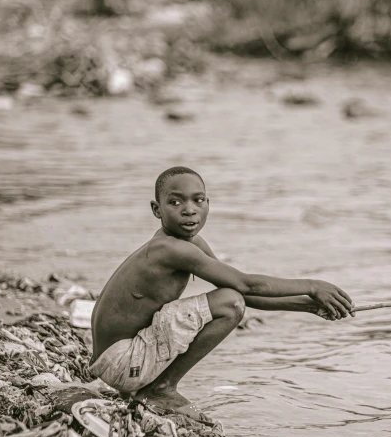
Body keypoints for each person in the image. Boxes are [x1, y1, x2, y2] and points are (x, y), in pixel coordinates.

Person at [89, 166, 354, 421]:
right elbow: (244, 287)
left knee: (231, 298)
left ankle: (151, 389)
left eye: (198, 200)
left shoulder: (189, 244)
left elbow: (243, 292)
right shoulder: (170, 249)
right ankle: (161, 389)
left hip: (118, 363)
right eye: (176, 203)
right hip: (123, 363)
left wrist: (308, 305)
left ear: (208, 204)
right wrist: (312, 285)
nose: (190, 210)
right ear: (156, 210)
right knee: (230, 304)